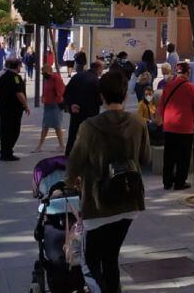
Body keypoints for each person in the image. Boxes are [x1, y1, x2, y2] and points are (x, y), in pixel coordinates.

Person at [66, 70, 151, 293]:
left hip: (97, 203)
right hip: (129, 201)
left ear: (101, 96)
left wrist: (68, 184)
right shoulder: (138, 123)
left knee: (90, 262)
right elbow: (146, 158)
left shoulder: (89, 126)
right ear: (125, 95)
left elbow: (73, 163)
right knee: (111, 257)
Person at [156, 62, 194, 190]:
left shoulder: (169, 86)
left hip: (169, 125)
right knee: (183, 156)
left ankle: (167, 181)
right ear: (188, 73)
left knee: (169, 155)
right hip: (185, 126)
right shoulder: (192, 88)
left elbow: (161, 104)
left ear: (177, 72)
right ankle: (179, 182)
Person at [64, 60, 103, 156]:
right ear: (98, 69)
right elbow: (99, 100)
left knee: (72, 136)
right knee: (90, 137)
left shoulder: (77, 76)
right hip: (91, 114)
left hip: (76, 112)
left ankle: (68, 157)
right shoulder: (96, 81)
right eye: (102, 68)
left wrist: (71, 104)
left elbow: (66, 93)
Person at [0, 58, 30, 161]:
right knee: (13, 131)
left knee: (5, 130)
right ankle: (7, 152)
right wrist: (26, 106)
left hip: (3, 107)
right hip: (13, 109)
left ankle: (4, 151)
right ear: (17, 66)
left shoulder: (3, 76)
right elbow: (19, 93)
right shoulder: (15, 77)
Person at [36, 64, 66, 153]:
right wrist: (43, 96)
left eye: (43, 72)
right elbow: (46, 90)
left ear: (48, 71)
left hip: (55, 105)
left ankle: (61, 145)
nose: (42, 74)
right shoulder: (48, 79)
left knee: (56, 126)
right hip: (48, 105)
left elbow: (60, 91)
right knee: (46, 126)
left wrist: (56, 99)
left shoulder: (55, 78)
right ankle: (40, 146)